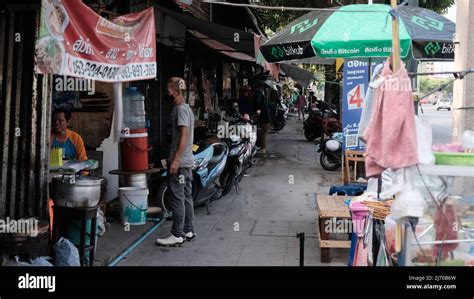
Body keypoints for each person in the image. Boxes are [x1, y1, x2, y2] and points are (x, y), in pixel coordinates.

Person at [156, 77, 195, 247]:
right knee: (186, 196)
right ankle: (188, 230)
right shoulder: (186, 109)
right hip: (186, 162)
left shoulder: (180, 110)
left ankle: (177, 234)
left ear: (177, 92)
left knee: (177, 197)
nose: (167, 94)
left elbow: (184, 135)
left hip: (181, 163)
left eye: (168, 91)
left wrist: (176, 159)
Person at [254, 89, 270, 155]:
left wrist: (256, 117)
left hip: (265, 122)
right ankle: (261, 147)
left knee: (262, 135)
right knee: (261, 135)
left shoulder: (262, 104)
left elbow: (260, 113)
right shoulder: (262, 103)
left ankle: (263, 149)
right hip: (264, 121)